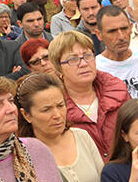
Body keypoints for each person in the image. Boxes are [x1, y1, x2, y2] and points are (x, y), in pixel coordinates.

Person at [49, 31, 130, 159]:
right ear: (59, 68)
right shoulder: (52, 105)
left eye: (87, 56)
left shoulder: (118, 91)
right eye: (73, 59)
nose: (83, 64)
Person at [94, 6, 138, 99]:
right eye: (112, 31)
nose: (121, 36)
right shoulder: (95, 69)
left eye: (124, 28)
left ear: (131, 27)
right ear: (99, 34)